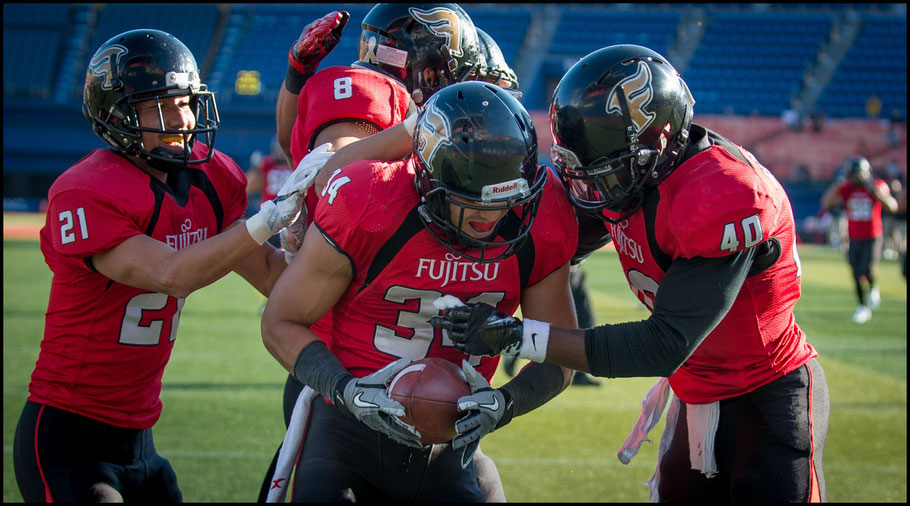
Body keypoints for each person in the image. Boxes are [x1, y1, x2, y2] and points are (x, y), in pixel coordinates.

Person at [430, 44, 830, 503]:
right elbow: (532, 251)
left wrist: (519, 336)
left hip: (768, 394)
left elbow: (662, 345)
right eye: (580, 175)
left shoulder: (722, 194)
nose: (589, 192)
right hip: (694, 394)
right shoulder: (634, 173)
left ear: (659, 145)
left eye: (606, 175)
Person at [12, 29, 320, 503]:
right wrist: (269, 217)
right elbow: (172, 274)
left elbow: (273, 277)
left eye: (186, 102)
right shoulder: (87, 190)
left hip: (141, 439)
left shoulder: (211, 178)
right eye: (161, 106)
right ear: (116, 113)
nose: (181, 119)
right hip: (71, 437)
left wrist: (319, 249)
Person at [260, 81, 579, 502]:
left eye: (507, 198)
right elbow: (281, 321)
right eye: (474, 200)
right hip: (348, 427)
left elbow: (561, 356)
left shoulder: (541, 214)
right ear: (429, 179)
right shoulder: (368, 197)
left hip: (451, 441)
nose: (494, 214)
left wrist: (506, 402)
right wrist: (347, 391)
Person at [260, 6, 513, 502]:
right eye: (465, 78)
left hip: (437, 386)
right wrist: (417, 129)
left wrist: (294, 82)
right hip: (345, 381)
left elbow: (301, 152)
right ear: (432, 69)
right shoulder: (376, 109)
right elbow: (328, 168)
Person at [821, 156, 899, 323]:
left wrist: (876, 194)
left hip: (872, 236)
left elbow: (893, 206)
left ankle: (872, 287)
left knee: (868, 269)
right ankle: (862, 306)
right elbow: (827, 203)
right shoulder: (847, 188)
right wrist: (837, 186)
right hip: (854, 237)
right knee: (856, 272)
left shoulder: (876, 185)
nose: (852, 177)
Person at [246, 136, 293, 248]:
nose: (281, 153)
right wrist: (256, 169)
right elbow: (248, 188)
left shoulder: (297, 164)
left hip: (292, 216)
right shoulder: (267, 163)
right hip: (269, 215)